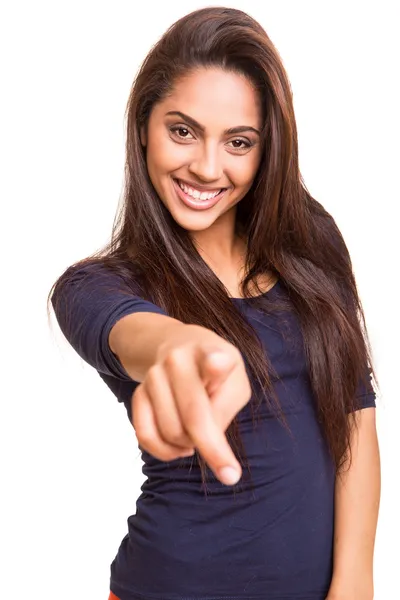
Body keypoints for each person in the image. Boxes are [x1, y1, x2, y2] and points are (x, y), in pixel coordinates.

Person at [49, 6, 381, 600]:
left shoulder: (313, 240)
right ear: (143, 127)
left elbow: (354, 414)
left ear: (266, 149)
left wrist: (355, 580)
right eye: (182, 130)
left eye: (238, 142)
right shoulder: (95, 287)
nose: (206, 166)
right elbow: (141, 336)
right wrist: (181, 346)